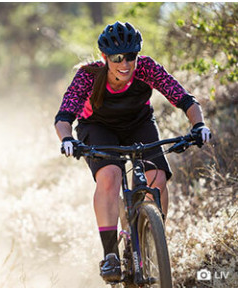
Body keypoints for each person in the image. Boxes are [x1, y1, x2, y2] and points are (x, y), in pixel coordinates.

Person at [54, 21, 211, 283]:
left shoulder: (146, 68)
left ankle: (152, 237)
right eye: (117, 58)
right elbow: (64, 116)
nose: (125, 63)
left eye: (131, 56)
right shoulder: (88, 76)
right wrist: (68, 139)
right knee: (110, 175)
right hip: (98, 126)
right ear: (105, 58)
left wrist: (198, 125)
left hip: (138, 124)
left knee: (157, 178)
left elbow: (184, 99)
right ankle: (111, 255)